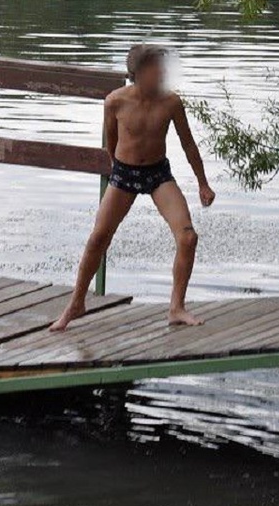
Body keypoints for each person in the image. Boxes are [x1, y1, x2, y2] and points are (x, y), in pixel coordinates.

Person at [51, 44, 216, 332]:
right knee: (98, 238)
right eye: (156, 68)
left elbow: (188, 144)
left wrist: (203, 183)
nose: (163, 72)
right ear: (139, 73)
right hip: (125, 174)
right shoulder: (115, 102)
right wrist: (119, 172)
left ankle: (176, 307)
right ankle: (77, 302)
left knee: (188, 237)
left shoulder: (171, 102)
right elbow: (110, 144)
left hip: (158, 174)